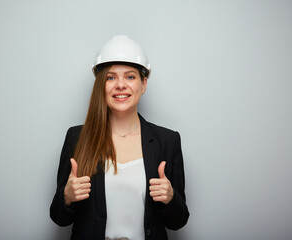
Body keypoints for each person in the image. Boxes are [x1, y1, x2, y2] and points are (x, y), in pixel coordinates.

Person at [50, 35, 189, 240]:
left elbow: (179, 221)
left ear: (144, 84)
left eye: (130, 77)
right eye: (111, 77)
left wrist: (170, 198)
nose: (121, 85)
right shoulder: (76, 138)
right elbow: (58, 217)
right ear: (101, 85)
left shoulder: (168, 141)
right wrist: (67, 197)